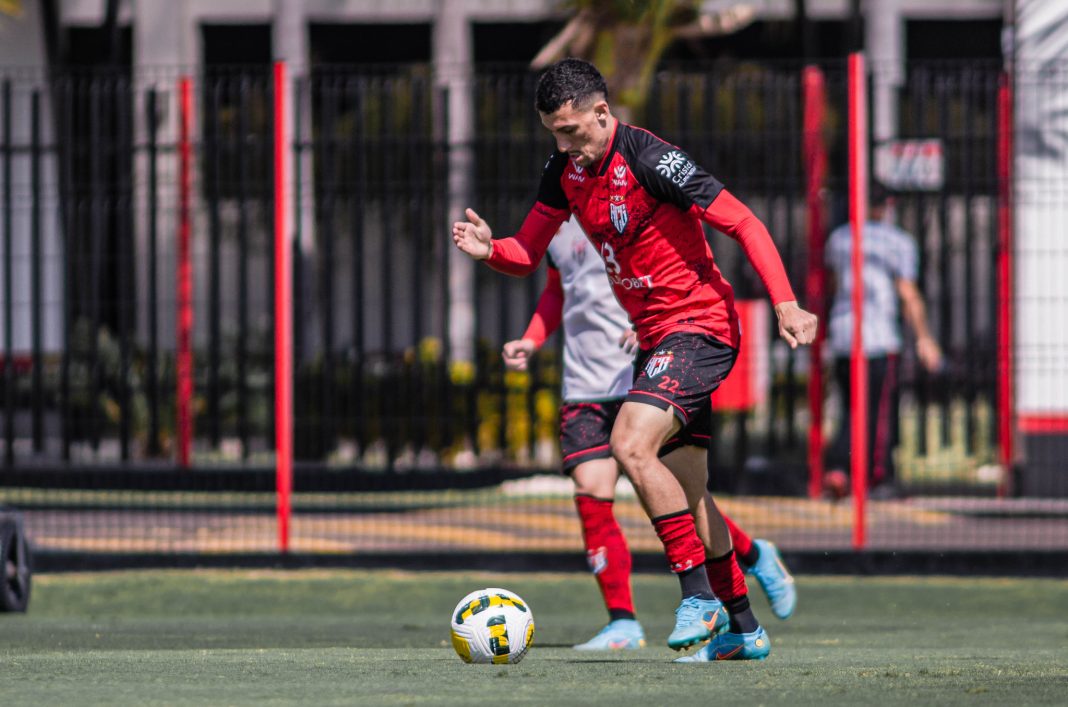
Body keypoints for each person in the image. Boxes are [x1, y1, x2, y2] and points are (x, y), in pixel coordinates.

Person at [452, 58, 817, 662]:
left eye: (572, 131)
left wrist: (785, 303)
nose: (565, 145)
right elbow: (526, 251)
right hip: (655, 339)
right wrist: (491, 249)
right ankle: (746, 629)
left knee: (630, 444)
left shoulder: (652, 160)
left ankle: (696, 594)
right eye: (554, 134)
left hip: (701, 328)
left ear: (602, 112)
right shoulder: (564, 172)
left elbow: (745, 222)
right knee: (693, 495)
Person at [502, 217, 797, 651]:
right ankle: (623, 620)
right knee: (591, 489)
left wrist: (653, 322)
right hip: (584, 382)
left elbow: (682, 270)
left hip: (642, 369)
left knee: (678, 492)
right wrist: (532, 338)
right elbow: (556, 289)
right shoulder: (556, 227)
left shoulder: (628, 209)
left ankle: (748, 559)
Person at [824, 183, 943, 500]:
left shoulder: (840, 239)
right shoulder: (897, 242)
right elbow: (907, 292)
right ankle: (876, 476)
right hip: (878, 337)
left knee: (849, 407)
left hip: (843, 334)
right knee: (878, 411)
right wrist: (924, 338)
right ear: (887, 206)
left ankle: (840, 467)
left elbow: (833, 285)